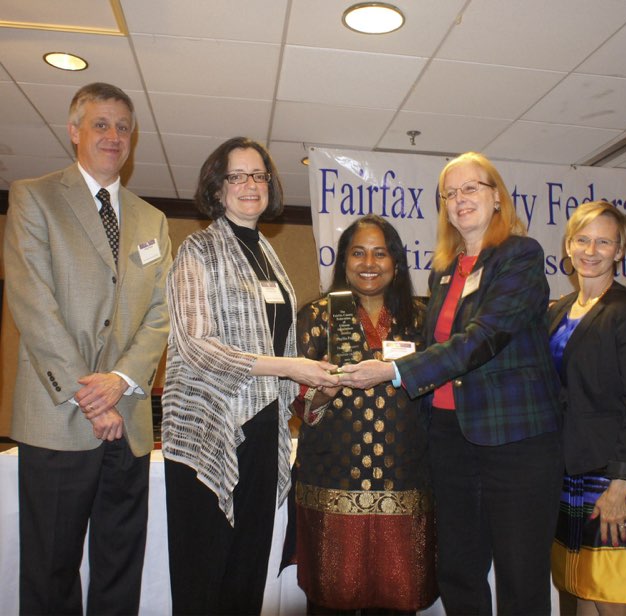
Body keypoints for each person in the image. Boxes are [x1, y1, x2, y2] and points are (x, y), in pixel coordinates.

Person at [339, 152, 563, 615]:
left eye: (472, 188)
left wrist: (395, 371)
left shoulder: (520, 256)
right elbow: (429, 346)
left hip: (514, 443)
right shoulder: (444, 270)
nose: (461, 200)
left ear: (496, 196)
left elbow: (482, 338)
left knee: (521, 579)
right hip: (449, 439)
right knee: (457, 572)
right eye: (450, 193)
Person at [3, 82, 172, 614]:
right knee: (50, 569)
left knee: (120, 566)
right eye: (101, 124)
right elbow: (33, 303)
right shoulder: (35, 197)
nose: (114, 136)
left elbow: (160, 315)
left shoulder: (153, 220)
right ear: (74, 131)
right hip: (59, 418)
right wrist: (88, 395)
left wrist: (119, 383)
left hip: (131, 421)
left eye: (124, 127)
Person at [160, 137, 339, 615]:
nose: (249, 185)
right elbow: (195, 345)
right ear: (217, 189)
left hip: (263, 431)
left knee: (246, 575)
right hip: (208, 435)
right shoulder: (197, 250)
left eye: (258, 175)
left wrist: (312, 380)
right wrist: (287, 367)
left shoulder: (269, 257)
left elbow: (280, 344)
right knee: (204, 579)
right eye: (236, 176)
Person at [292, 214, 437, 614]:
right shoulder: (317, 316)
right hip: (332, 481)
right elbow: (297, 401)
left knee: (397, 599)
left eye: (380, 253)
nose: (368, 263)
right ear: (343, 261)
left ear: (396, 263)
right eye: (358, 253)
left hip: (405, 482)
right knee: (330, 600)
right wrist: (321, 394)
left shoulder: (421, 319)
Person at [547, 201, 626, 616]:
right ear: (568, 245)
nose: (590, 250)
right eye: (582, 239)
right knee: (581, 588)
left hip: (613, 476)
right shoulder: (559, 311)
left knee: (612, 595)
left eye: (603, 242)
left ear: (619, 251)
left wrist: (620, 485)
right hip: (570, 470)